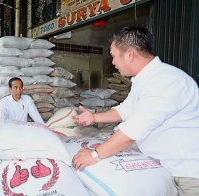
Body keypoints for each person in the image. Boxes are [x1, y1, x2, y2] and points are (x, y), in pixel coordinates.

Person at [73, 26, 199, 195]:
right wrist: (94, 118)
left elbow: (136, 127)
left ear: (130, 54)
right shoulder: (144, 80)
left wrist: (95, 155)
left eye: (114, 56)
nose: (113, 63)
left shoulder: (167, 80)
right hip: (166, 168)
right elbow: (125, 110)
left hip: (188, 173)